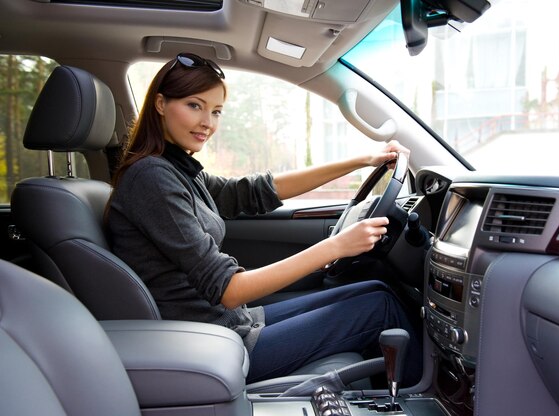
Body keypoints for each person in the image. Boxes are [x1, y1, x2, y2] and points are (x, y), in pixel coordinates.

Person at [106, 53, 422, 385]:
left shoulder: (176, 168)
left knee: (377, 291)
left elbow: (253, 191)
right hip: (216, 347)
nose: (208, 123)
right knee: (380, 309)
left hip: (228, 325)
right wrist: (336, 246)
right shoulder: (151, 177)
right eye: (194, 106)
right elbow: (228, 289)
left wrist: (361, 160)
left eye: (216, 111)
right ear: (160, 103)